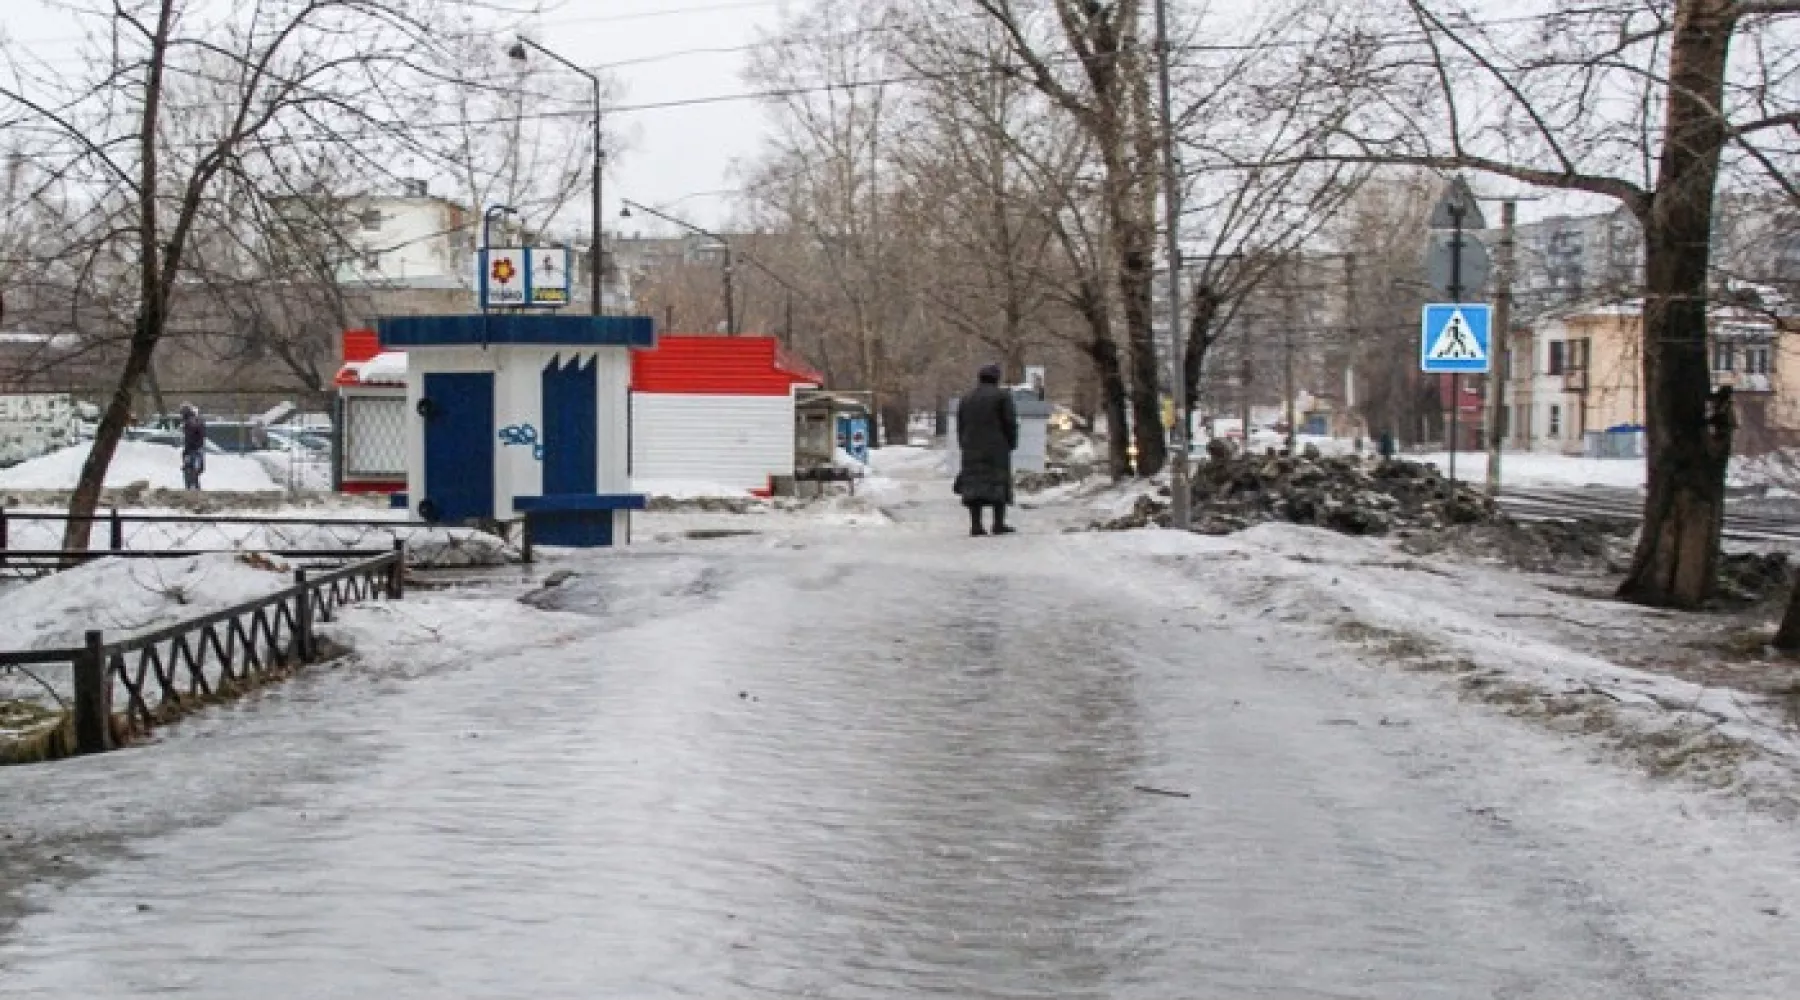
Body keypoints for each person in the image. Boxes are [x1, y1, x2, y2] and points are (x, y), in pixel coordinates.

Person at [955, 364, 1018, 537]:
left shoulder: (966, 398)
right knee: (997, 483)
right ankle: (998, 523)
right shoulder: (1002, 396)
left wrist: (963, 443)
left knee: (973, 485)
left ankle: (976, 525)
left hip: (971, 447)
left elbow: (960, 424)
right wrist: (1011, 443)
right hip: (996, 447)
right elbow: (1010, 422)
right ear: (996, 378)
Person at [179, 403, 206, 490]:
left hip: (192, 450)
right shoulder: (199, 421)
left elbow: (189, 439)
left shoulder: (189, 423)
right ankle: (195, 488)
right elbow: (203, 435)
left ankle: (190, 489)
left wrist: (186, 451)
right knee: (195, 471)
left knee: (189, 470)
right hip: (199, 449)